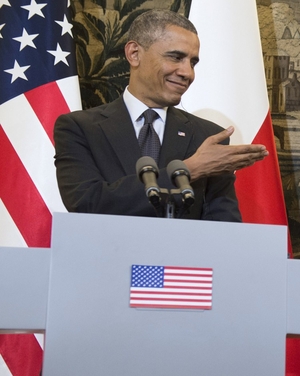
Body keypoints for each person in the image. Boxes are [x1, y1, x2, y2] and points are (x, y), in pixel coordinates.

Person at [54, 9, 267, 221]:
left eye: (192, 62)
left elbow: (223, 227)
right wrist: (190, 169)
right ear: (134, 54)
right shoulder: (79, 128)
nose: (188, 73)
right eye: (176, 57)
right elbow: (86, 203)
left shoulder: (208, 137)